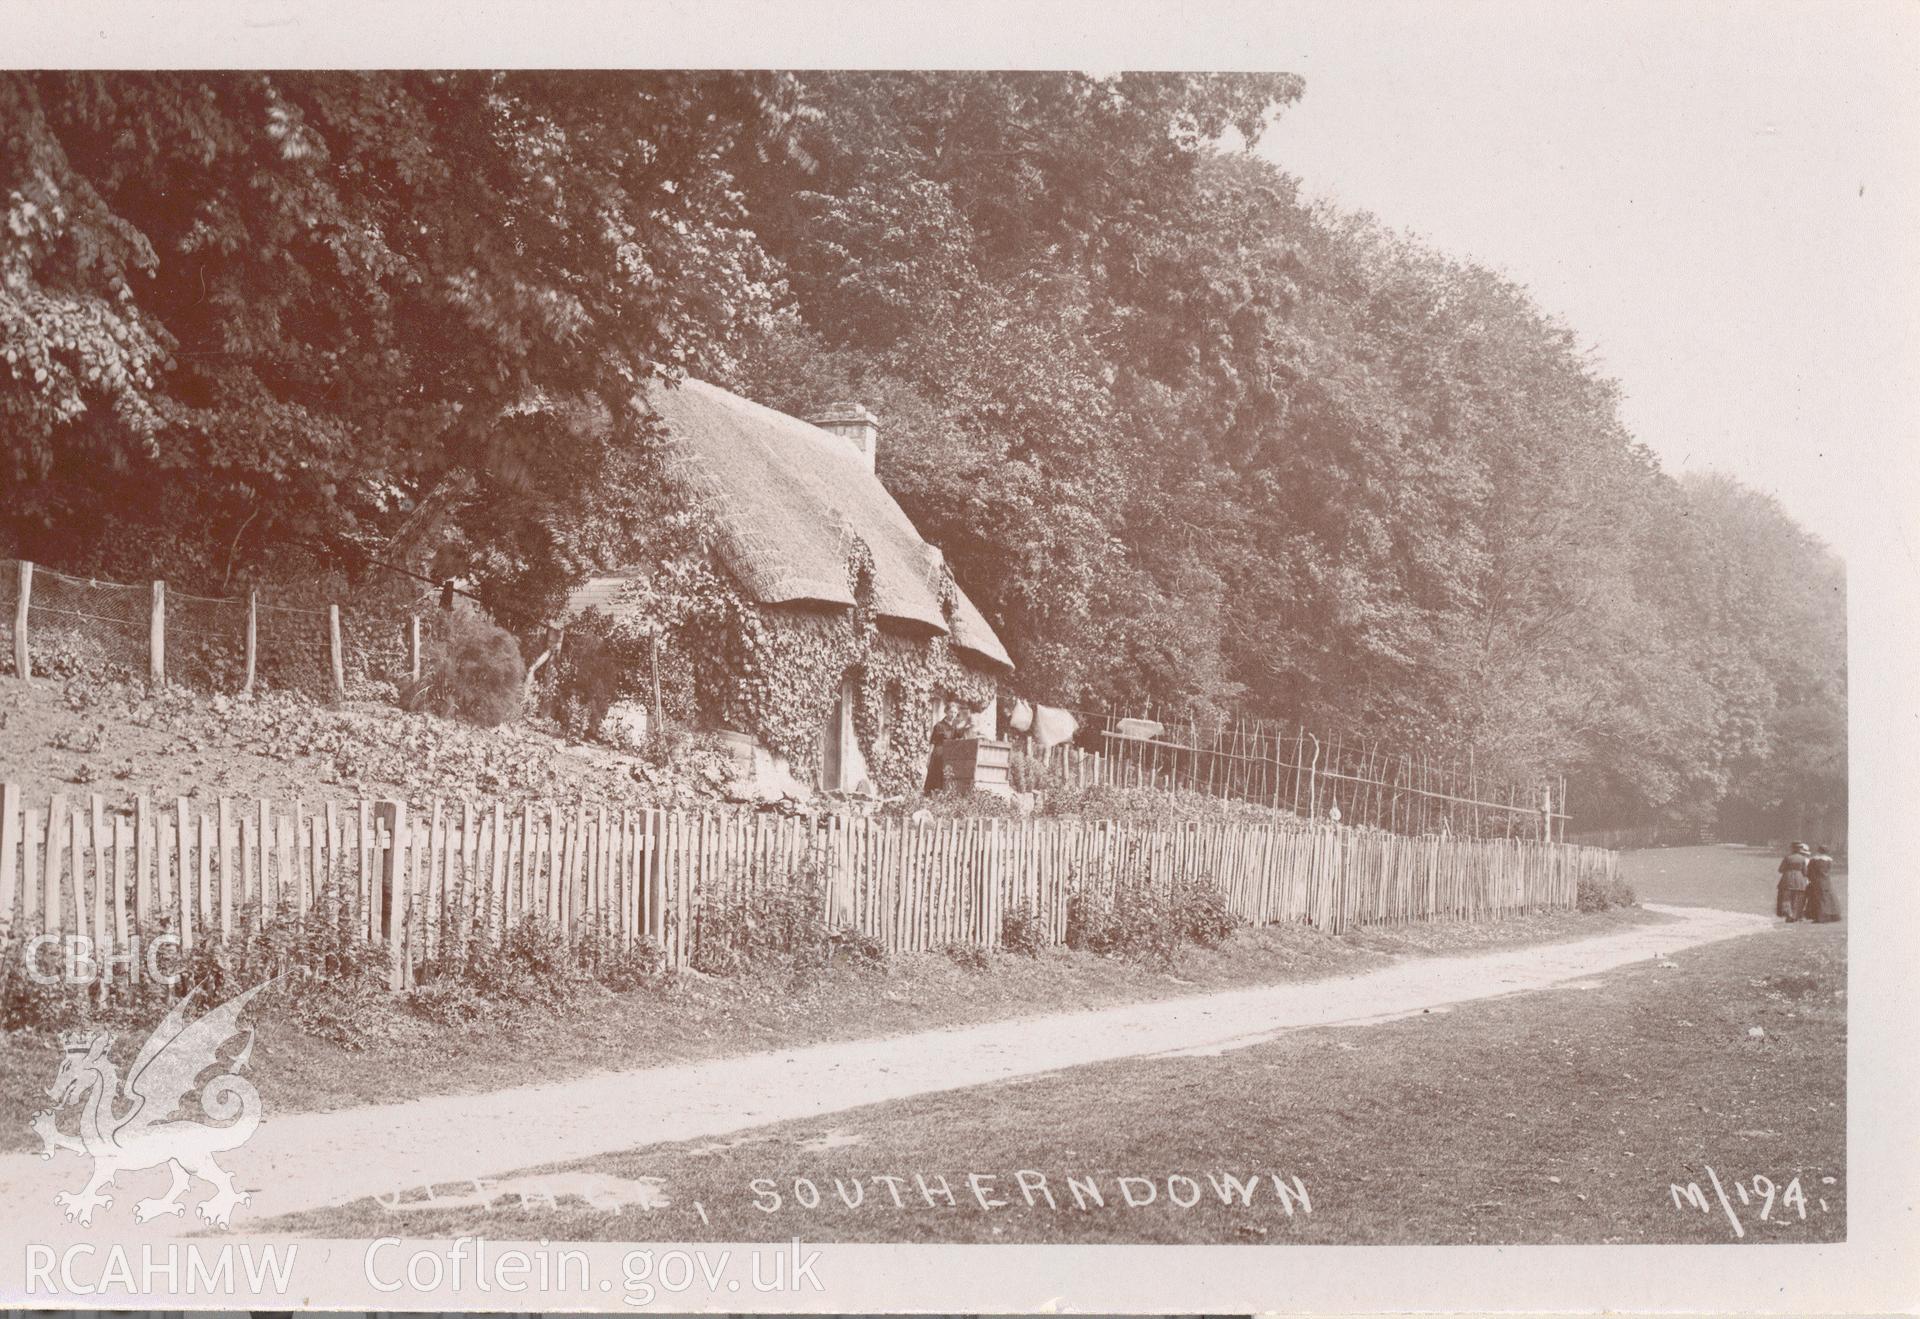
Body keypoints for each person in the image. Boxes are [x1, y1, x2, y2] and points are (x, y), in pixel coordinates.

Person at [1805, 843, 1842, 923]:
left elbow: (1809, 871)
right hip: (1826, 880)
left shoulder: (1814, 860)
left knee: (1817, 898)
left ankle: (1820, 917)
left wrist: (1810, 878)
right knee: (1828, 897)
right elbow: (1829, 870)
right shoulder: (1829, 860)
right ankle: (1831, 915)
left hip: (1816, 880)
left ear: (1819, 850)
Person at [1776, 842, 1810, 922]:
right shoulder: (1802, 859)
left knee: (1787, 898)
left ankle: (1789, 914)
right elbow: (1805, 872)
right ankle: (1795, 915)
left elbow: (1780, 870)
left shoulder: (1787, 857)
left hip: (1787, 879)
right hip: (1799, 880)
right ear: (1799, 849)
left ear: (1792, 848)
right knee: (1797, 898)